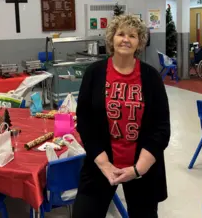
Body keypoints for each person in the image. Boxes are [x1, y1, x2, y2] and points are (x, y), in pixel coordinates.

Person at [72, 15, 171, 218]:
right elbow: (84, 120)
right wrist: (104, 164)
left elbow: (161, 128)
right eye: (121, 34)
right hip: (100, 163)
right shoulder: (94, 73)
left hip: (141, 168)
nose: (126, 39)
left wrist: (137, 169)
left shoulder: (151, 77)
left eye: (132, 36)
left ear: (139, 42)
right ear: (112, 39)